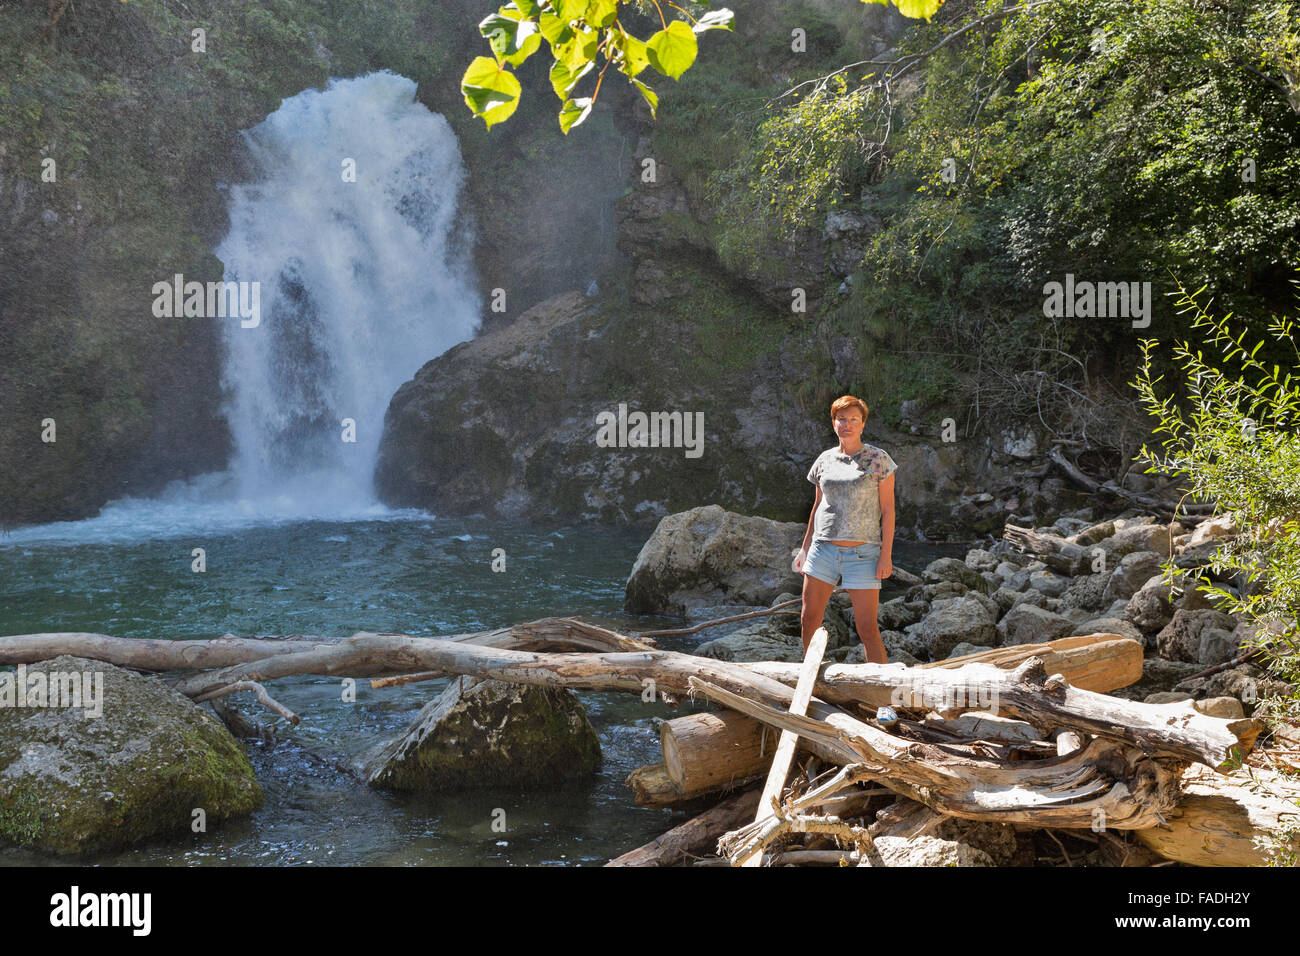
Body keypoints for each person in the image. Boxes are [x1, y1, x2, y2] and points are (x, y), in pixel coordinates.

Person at [793, 395, 897, 677]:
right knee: (809, 619)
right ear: (834, 422)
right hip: (822, 550)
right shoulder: (824, 460)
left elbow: (888, 512)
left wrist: (885, 555)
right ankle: (811, 680)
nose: (847, 425)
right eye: (842, 419)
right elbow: (817, 506)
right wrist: (804, 550)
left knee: (867, 628)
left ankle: (881, 695)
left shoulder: (878, 460)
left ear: (863, 424)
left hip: (863, 553)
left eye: (853, 419)